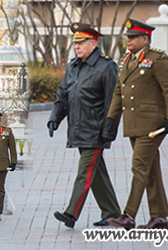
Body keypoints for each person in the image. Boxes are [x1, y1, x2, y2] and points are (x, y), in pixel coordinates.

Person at [106, 19, 168, 230]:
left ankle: (128, 215)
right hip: (134, 124)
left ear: (145, 39)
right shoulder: (127, 60)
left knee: (139, 166)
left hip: (153, 125)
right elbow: (119, 92)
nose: (128, 40)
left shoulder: (157, 59)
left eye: (132, 37)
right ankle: (160, 218)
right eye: (127, 37)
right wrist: (112, 119)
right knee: (150, 169)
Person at [47, 22, 121, 228]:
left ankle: (71, 213)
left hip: (96, 131)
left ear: (93, 43)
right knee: (96, 173)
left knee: (85, 172)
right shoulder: (72, 67)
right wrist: (54, 118)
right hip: (78, 130)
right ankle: (113, 213)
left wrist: (109, 130)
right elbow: (63, 96)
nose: (77, 47)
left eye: (81, 43)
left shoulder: (107, 66)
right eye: (75, 43)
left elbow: (114, 102)